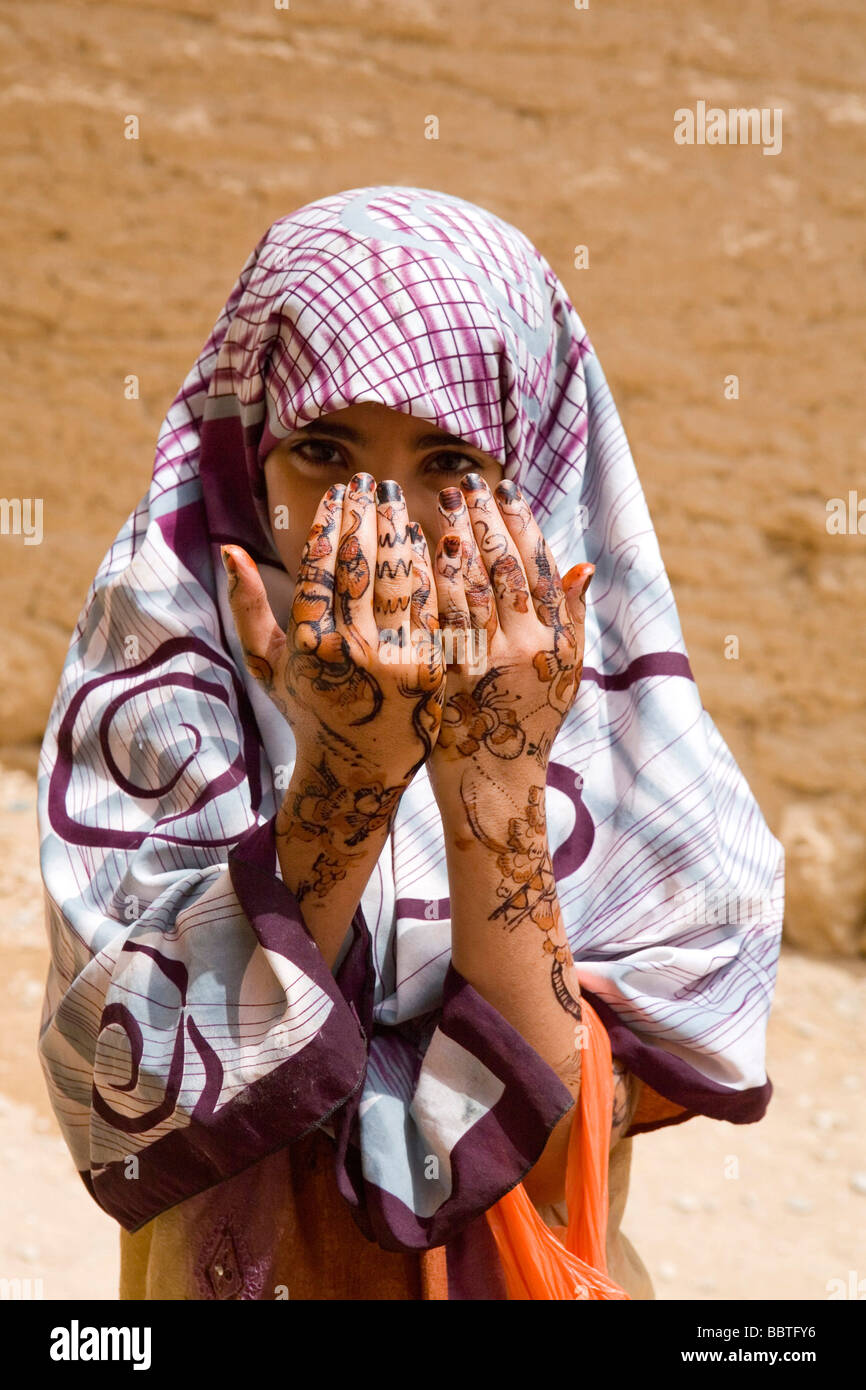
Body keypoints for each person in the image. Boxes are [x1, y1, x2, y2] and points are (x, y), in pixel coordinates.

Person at [36, 184, 784, 1300]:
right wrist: (346, 772)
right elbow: (133, 1092)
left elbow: (561, 1138)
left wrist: (496, 783)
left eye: (448, 464)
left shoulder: (609, 728)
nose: (380, 515)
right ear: (249, 463)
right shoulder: (160, 683)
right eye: (326, 452)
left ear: (524, 474)